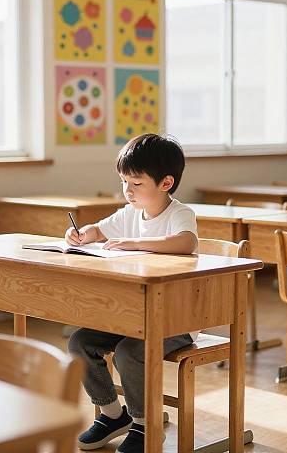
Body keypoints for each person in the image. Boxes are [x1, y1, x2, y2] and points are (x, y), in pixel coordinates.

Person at [66, 133, 198, 452]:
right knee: (80, 343)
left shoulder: (179, 213)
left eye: (136, 183)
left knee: (130, 352)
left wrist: (137, 242)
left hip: (175, 320)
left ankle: (144, 423)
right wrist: (82, 234)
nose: (128, 191)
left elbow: (186, 242)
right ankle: (113, 415)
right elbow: (99, 229)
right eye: (124, 181)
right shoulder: (129, 214)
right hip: (131, 316)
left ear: (165, 183)